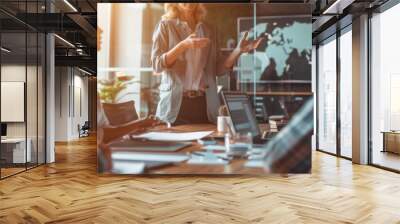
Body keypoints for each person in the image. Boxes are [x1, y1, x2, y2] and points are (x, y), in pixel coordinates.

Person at [151, 3, 263, 125]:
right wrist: (184, 45)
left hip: (204, 104)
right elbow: (156, 65)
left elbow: (217, 70)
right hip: (174, 106)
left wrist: (238, 51)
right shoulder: (165, 25)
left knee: (206, 143)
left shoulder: (209, 29)